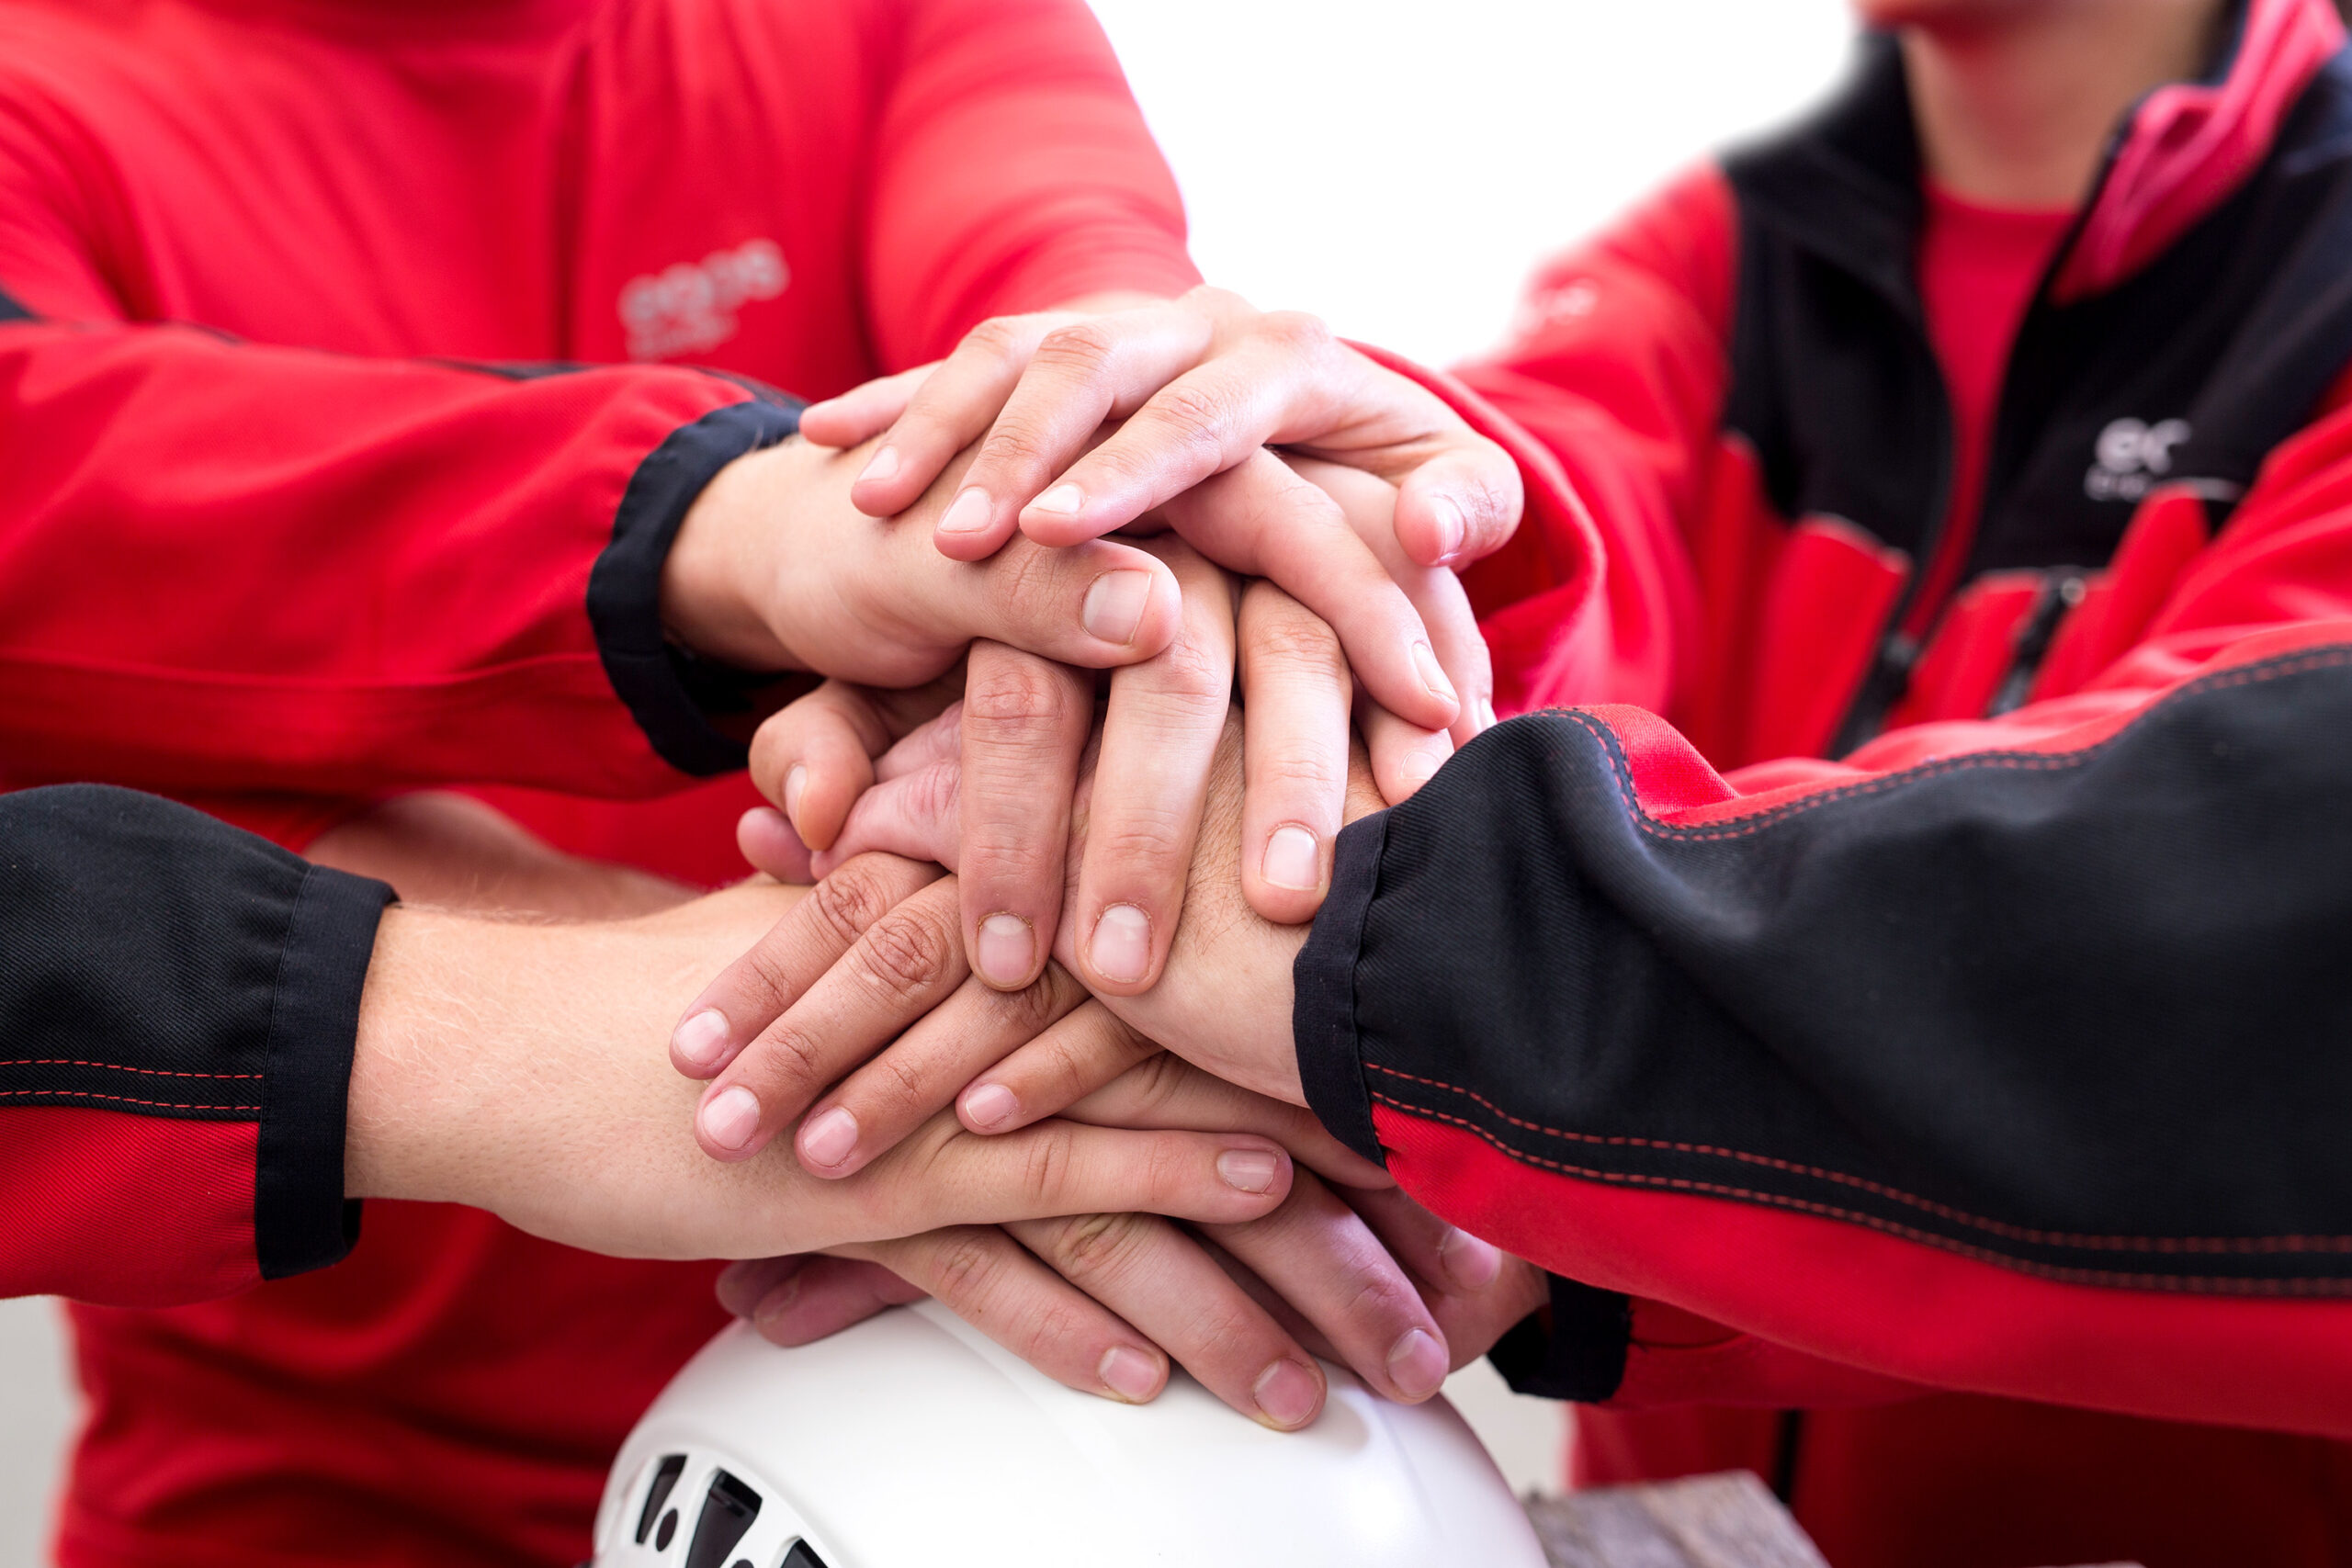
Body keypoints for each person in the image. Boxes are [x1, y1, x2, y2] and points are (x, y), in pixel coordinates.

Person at [706, 0, 2352, 1561]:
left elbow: (2192, 948)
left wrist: (1357, 974)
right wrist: (1227, 598)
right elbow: (1540, 510)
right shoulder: (1726, 248)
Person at [0, 1, 1523, 1562]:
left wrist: (1145, 497)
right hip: (316, 1492)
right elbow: (61, 593)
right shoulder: (43, 99)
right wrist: (725, 542)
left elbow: (1077, 302)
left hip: (981, 1442)